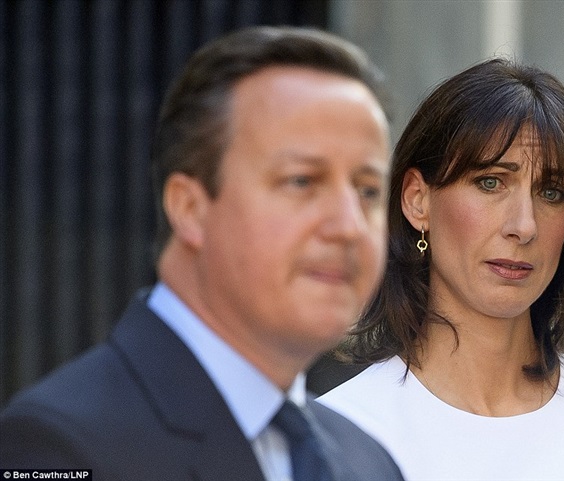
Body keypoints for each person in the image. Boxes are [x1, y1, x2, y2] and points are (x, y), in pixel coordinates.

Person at [0, 26, 405, 481]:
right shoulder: (60, 448)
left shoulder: (369, 462)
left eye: (368, 191)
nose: (349, 226)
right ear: (190, 209)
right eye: (301, 181)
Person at [319, 58, 564, 481]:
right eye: (491, 182)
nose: (524, 226)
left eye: (550, 192)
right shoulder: (336, 441)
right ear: (417, 200)